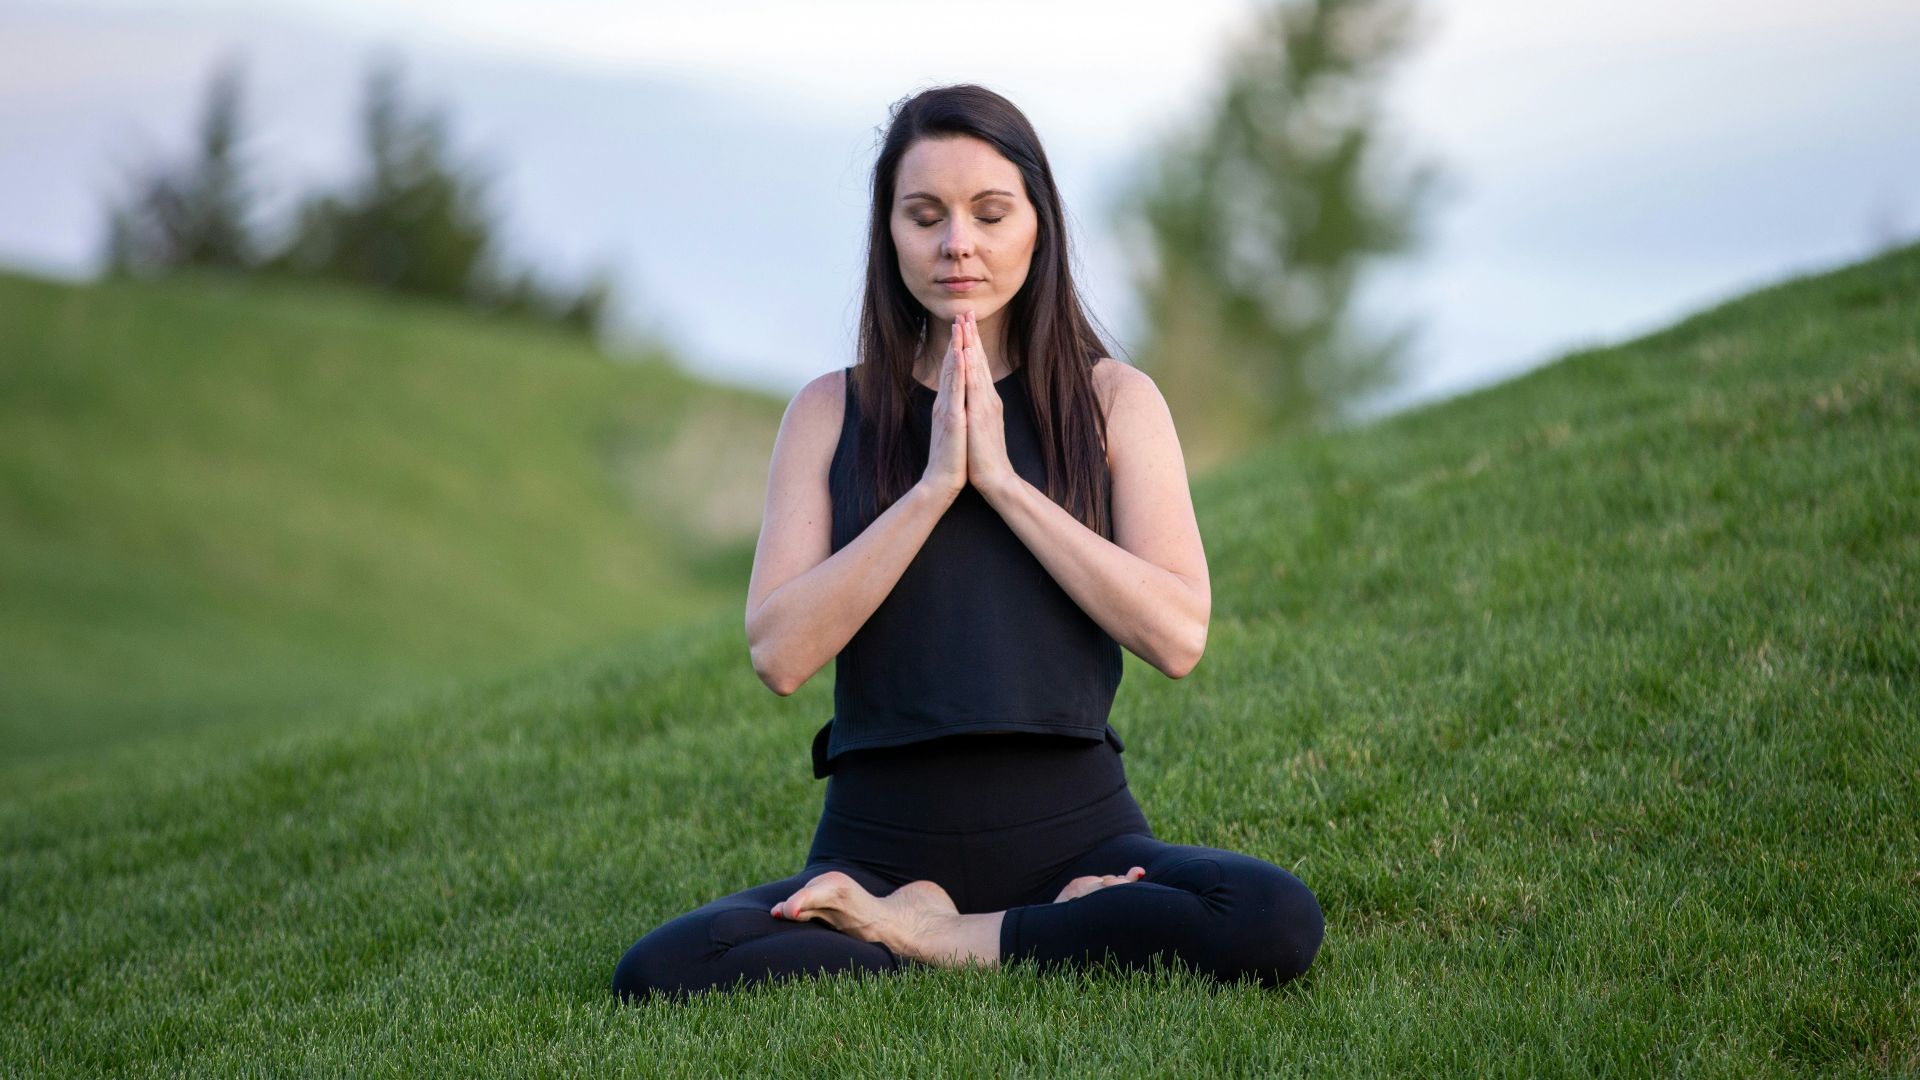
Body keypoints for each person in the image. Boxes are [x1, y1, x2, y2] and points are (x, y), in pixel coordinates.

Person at [611, 84, 1322, 1003]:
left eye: (991, 212)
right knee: (661, 972)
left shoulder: (1115, 403)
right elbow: (778, 653)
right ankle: (987, 925)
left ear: (1038, 224)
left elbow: (1178, 636)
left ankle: (935, 937)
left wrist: (1004, 483)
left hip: (1081, 836)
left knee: (1270, 917)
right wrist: (936, 483)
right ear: (890, 232)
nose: (959, 243)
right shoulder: (829, 412)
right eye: (925, 215)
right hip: (877, 846)